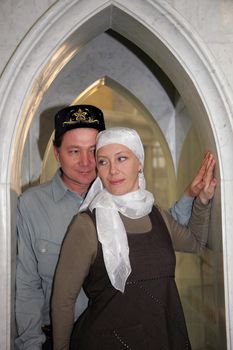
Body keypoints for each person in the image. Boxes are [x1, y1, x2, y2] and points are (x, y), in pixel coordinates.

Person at [15, 103, 210, 350]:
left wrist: (195, 197)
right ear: (56, 153)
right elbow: (27, 288)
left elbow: (156, 236)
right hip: (64, 337)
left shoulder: (133, 201)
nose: (87, 162)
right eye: (74, 151)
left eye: (94, 151)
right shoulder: (35, 206)